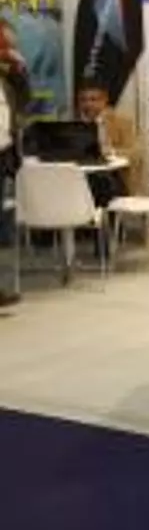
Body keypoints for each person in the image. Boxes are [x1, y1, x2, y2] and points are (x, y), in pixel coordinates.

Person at [0, 19, 29, 312]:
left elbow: (24, 102)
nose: (10, 49)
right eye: (6, 44)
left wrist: (19, 71)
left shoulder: (7, 74)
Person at [77, 83, 147, 204]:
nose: (88, 104)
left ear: (104, 100)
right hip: (83, 175)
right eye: (83, 100)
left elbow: (135, 152)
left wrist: (111, 152)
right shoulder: (75, 125)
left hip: (115, 177)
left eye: (93, 100)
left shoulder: (122, 122)